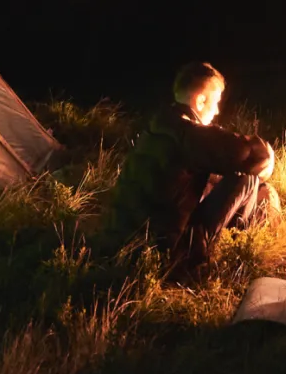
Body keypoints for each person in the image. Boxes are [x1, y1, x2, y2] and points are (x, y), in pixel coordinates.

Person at [105, 61, 275, 272]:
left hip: (126, 243)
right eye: (216, 102)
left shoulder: (159, 124)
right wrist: (268, 160)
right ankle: (235, 250)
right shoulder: (190, 133)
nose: (217, 111)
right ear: (201, 100)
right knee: (247, 178)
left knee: (213, 180)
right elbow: (253, 155)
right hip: (166, 253)